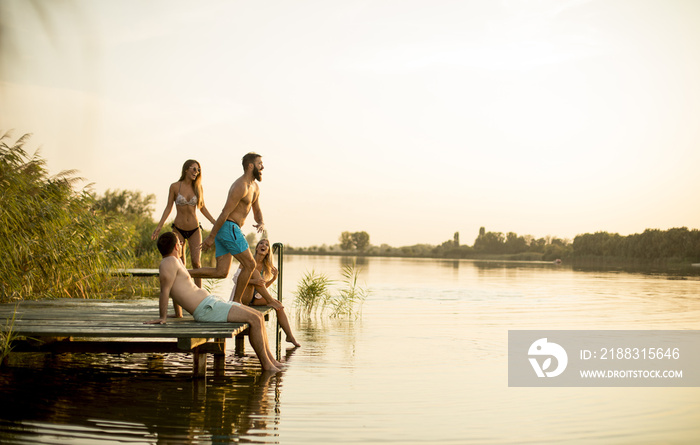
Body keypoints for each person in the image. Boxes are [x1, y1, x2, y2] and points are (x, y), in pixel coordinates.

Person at [145, 232, 283, 373]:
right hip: (206, 309)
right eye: (179, 243)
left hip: (211, 303)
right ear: (175, 246)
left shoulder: (175, 262)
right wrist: (162, 317)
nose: (181, 244)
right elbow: (165, 291)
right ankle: (267, 366)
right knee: (254, 318)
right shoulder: (168, 262)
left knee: (258, 317)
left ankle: (271, 361)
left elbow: (177, 287)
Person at [189, 153, 265, 304]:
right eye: (259, 164)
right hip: (229, 227)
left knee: (221, 272)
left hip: (231, 229)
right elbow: (225, 212)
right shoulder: (240, 186)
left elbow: (256, 210)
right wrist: (211, 237)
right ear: (251, 166)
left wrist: (261, 221)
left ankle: (182, 273)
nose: (262, 167)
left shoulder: (255, 187)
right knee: (250, 264)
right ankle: (236, 303)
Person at [151, 159, 217, 288]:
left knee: (196, 262)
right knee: (180, 263)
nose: (196, 172)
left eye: (198, 170)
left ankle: (199, 294)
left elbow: (202, 207)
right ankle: (183, 291)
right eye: (193, 169)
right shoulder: (175, 186)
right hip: (178, 229)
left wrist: (215, 222)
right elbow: (168, 207)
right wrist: (159, 227)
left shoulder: (198, 187)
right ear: (186, 169)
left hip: (194, 229)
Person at [229, 239, 301, 348]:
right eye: (261, 243)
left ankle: (290, 336)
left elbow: (262, 288)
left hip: (254, 297)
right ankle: (270, 301)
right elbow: (235, 279)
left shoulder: (265, 266)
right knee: (254, 272)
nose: (264, 245)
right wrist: (254, 281)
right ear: (257, 248)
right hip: (242, 296)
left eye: (267, 245)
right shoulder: (248, 261)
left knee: (279, 306)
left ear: (268, 251)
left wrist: (273, 278)